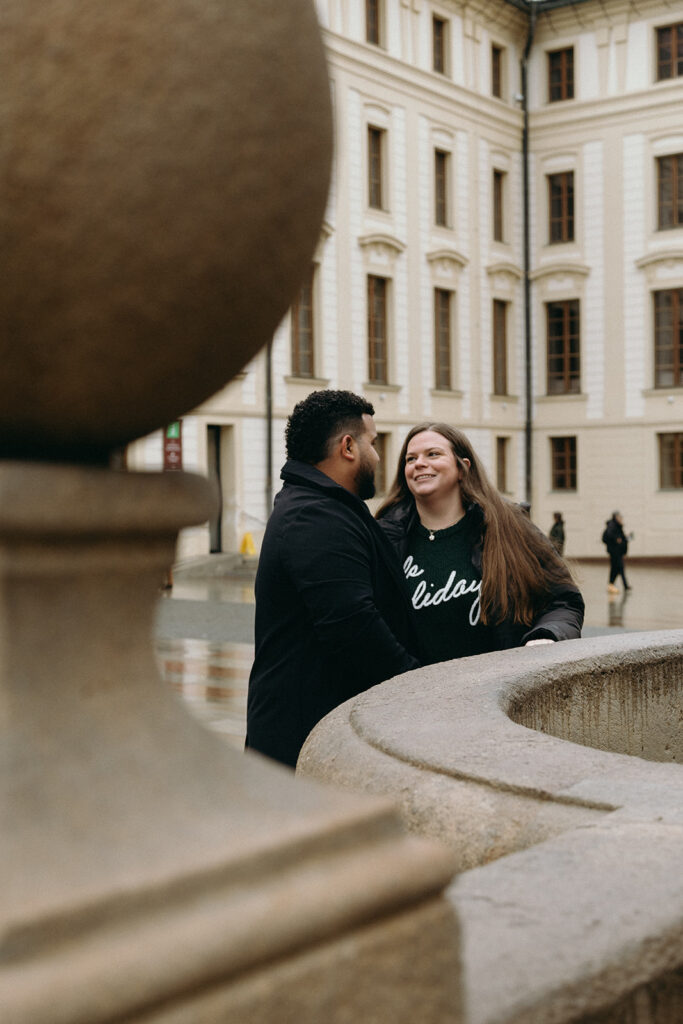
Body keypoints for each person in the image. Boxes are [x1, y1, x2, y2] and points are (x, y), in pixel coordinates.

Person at [246, 390, 420, 767]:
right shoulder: (314, 515)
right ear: (348, 447)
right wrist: (416, 685)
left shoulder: (321, 505)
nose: (377, 456)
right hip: (305, 738)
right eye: (372, 444)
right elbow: (353, 626)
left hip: (317, 729)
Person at [376, 423, 584, 664]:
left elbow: (564, 601)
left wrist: (547, 635)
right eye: (410, 459)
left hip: (494, 688)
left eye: (433, 454)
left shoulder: (509, 527)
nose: (419, 463)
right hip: (414, 695)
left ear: (462, 468)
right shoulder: (385, 536)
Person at [602, 511, 631, 593]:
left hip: (618, 551)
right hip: (615, 552)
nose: (621, 519)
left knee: (616, 568)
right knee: (619, 568)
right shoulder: (613, 526)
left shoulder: (618, 526)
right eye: (619, 517)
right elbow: (610, 536)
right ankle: (619, 585)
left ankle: (612, 584)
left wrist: (625, 538)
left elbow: (621, 538)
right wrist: (616, 539)